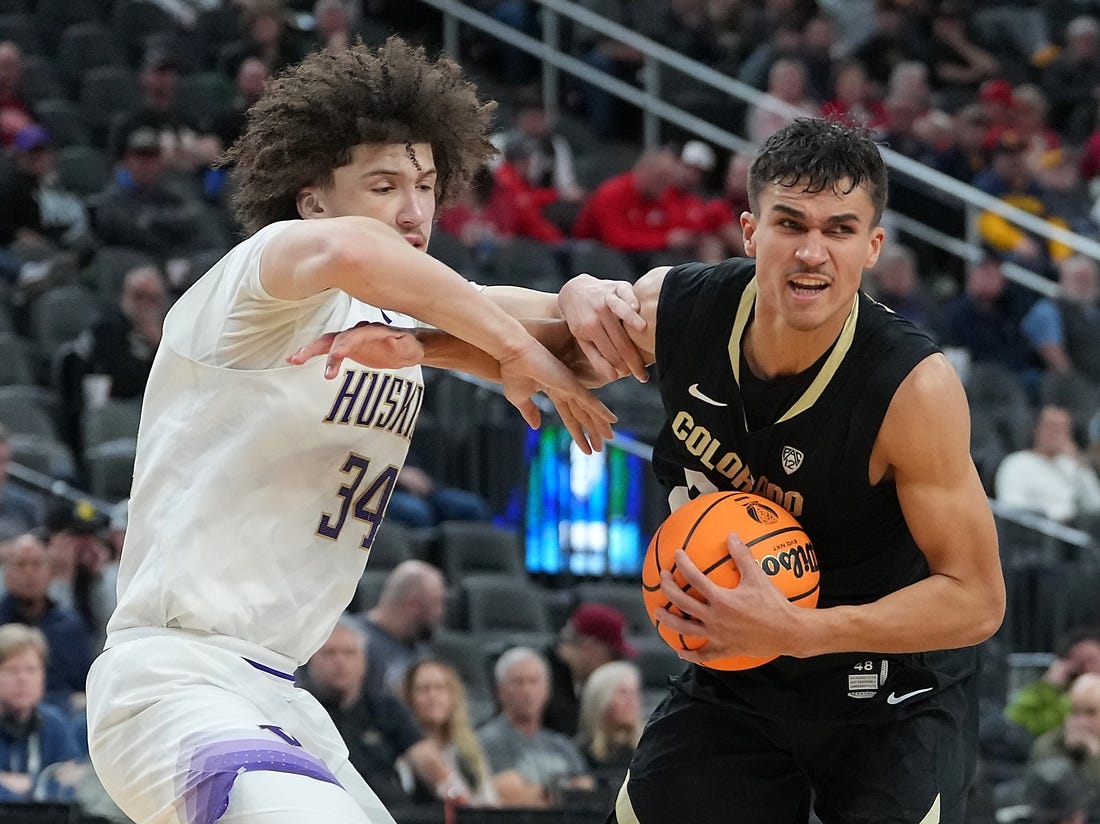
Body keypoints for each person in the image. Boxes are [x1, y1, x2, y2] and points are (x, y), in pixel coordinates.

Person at [83, 37, 618, 824]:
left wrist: (584, 296)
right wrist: (511, 345)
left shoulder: (392, 318)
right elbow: (355, 252)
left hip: (279, 695)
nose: (413, 210)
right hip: (174, 683)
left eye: (428, 186)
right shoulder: (258, 280)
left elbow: (581, 335)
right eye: (383, 183)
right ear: (312, 199)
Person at [556, 116, 1006, 823]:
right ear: (749, 231)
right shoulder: (682, 309)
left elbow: (978, 599)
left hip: (892, 692)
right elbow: (535, 337)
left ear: (873, 248)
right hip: (742, 671)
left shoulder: (911, 387)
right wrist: (555, 297)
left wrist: (801, 631)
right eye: (791, 223)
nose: (812, 252)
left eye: (840, 230)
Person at [302, 618, 463, 809]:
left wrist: (455, 794)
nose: (340, 661)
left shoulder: (385, 708)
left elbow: (426, 759)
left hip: (390, 811)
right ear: (310, 661)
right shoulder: (299, 710)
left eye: (349, 653)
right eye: (329, 653)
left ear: (364, 662)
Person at [476, 646, 594, 807]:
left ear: (547, 690)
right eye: (518, 682)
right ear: (500, 691)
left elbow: (586, 792)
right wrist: (562, 793)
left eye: (534, 681)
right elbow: (502, 792)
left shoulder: (562, 745)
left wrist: (540, 793)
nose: (527, 690)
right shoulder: (486, 741)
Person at [0, 533, 92, 711]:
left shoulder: (70, 624)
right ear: (7, 574)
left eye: (36, 564)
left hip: (68, 719)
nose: (29, 573)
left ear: (50, 572)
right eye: (20, 565)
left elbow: (86, 682)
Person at [398, 658, 499, 807]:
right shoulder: (400, 751)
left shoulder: (468, 750)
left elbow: (489, 801)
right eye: (423, 689)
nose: (433, 697)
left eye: (440, 688)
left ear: (453, 696)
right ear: (409, 697)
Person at [0, 623, 83, 802]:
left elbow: (75, 787)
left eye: (31, 670)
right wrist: (45, 785)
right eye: (11, 670)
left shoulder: (54, 723)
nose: (22, 679)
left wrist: (29, 784)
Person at [994, 405, 1100, 527]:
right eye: (1050, 428)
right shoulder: (1017, 463)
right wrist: (1054, 515)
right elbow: (1010, 507)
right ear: (1037, 429)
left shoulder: (1070, 466)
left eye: (1061, 430)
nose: (1055, 435)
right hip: (1035, 534)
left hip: (1071, 535)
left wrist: (1079, 462)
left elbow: (1095, 505)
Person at [543, 602, 636, 737]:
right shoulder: (544, 685)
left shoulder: (570, 679)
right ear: (591, 648)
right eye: (614, 656)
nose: (614, 666)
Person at [360, 560, 447, 697]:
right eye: (436, 603)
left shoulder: (419, 647)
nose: (440, 612)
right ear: (413, 606)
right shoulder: (355, 643)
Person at [1007, 626, 1100, 739]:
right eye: (1080, 662)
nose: (1087, 667)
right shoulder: (1056, 696)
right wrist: (1048, 685)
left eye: (1092, 660)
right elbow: (1016, 721)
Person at [574, 659, 643, 776]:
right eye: (623, 693)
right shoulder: (576, 755)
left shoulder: (647, 752)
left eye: (634, 692)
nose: (632, 701)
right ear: (601, 700)